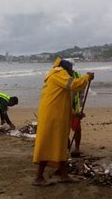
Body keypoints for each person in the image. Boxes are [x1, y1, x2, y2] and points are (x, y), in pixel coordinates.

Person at [32, 57, 94, 186]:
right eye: (70, 72)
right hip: (52, 117)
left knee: (60, 145)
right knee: (48, 145)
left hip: (56, 115)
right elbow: (74, 85)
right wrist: (87, 78)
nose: (70, 74)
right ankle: (38, 177)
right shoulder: (59, 73)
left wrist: (74, 114)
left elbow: (60, 101)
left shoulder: (55, 75)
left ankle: (63, 174)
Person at [70, 70, 85, 157]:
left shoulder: (77, 74)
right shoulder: (61, 75)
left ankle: (77, 148)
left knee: (77, 128)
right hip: (64, 109)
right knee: (64, 130)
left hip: (74, 107)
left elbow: (82, 87)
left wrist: (81, 101)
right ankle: (66, 147)